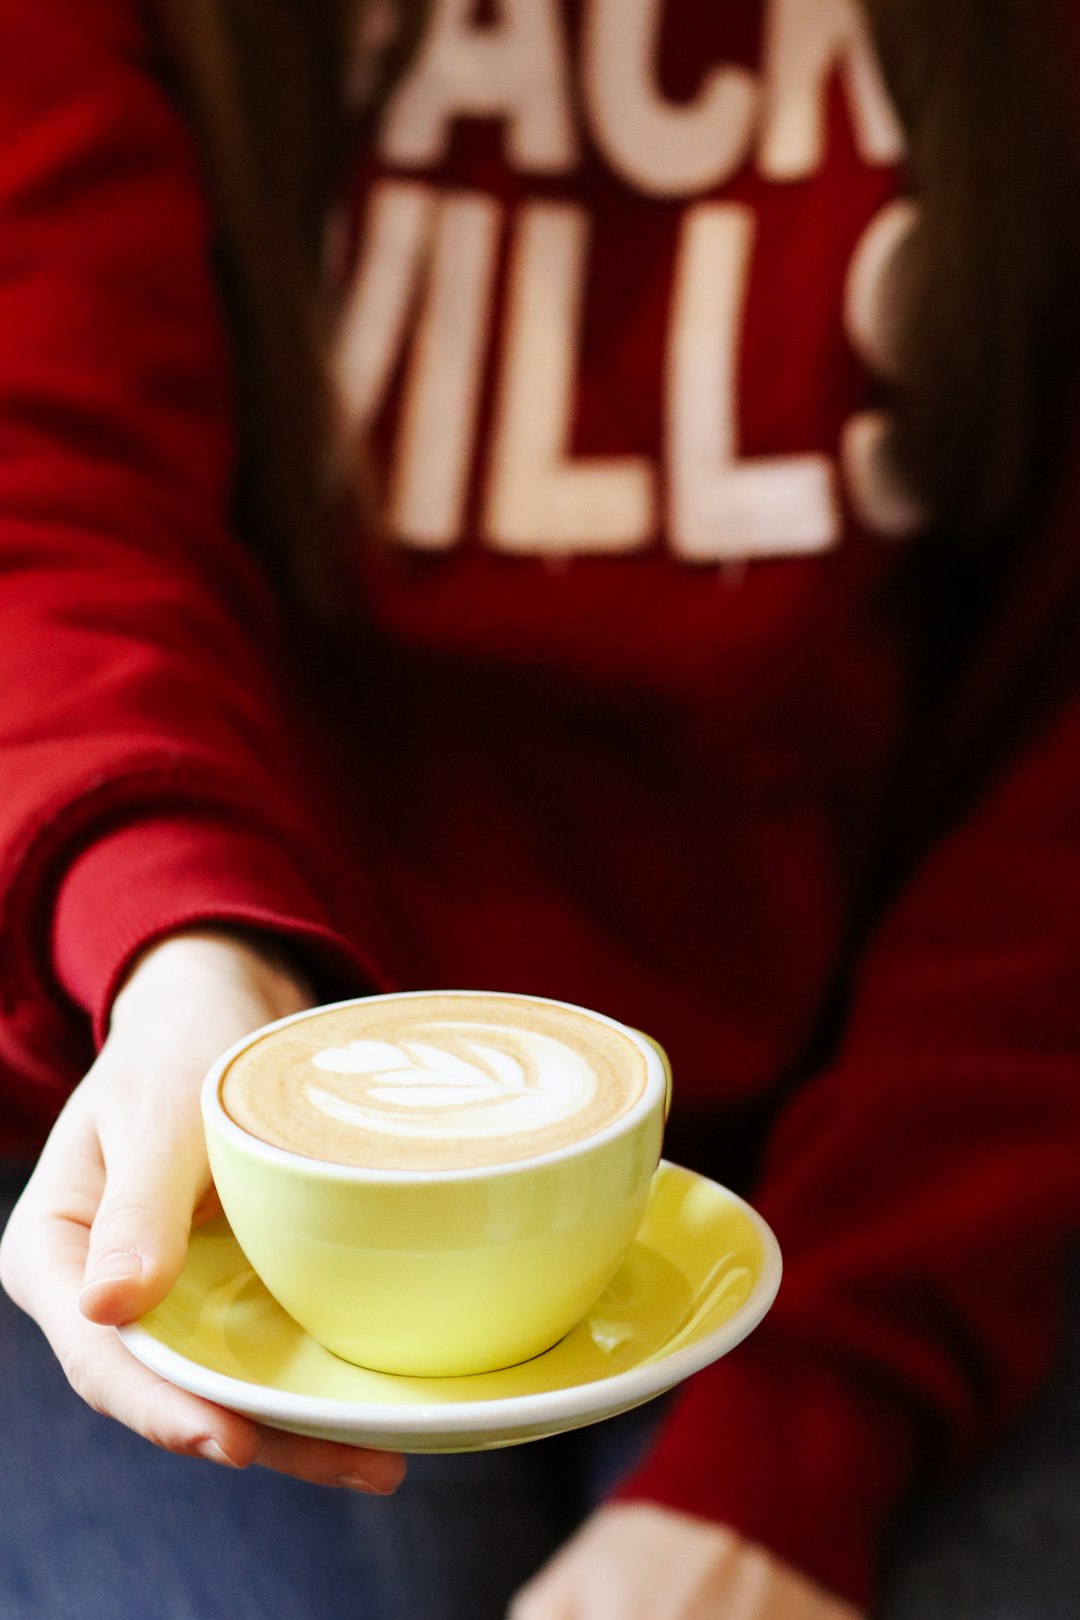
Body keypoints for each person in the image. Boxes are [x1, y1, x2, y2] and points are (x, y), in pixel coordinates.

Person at [2, 0, 1080, 1615]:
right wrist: (169, 935)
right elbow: (49, 500)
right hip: (170, 1075)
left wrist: (804, 1437)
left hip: (906, 1138)